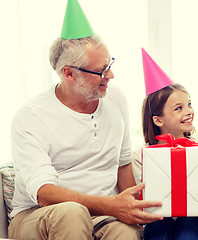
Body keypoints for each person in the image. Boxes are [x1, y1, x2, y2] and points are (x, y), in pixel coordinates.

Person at [8, 1, 162, 239]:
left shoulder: (116, 98)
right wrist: (109, 205)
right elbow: (44, 194)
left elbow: (122, 165)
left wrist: (134, 210)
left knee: (127, 233)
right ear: (69, 73)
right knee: (72, 213)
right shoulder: (30, 117)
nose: (110, 75)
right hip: (37, 215)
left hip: (102, 217)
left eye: (109, 64)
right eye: (101, 71)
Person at [131, 49, 198, 240]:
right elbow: (145, 200)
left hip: (196, 220)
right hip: (159, 220)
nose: (188, 111)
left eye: (189, 104)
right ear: (158, 120)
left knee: (188, 225)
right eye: (179, 108)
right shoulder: (142, 155)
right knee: (158, 228)